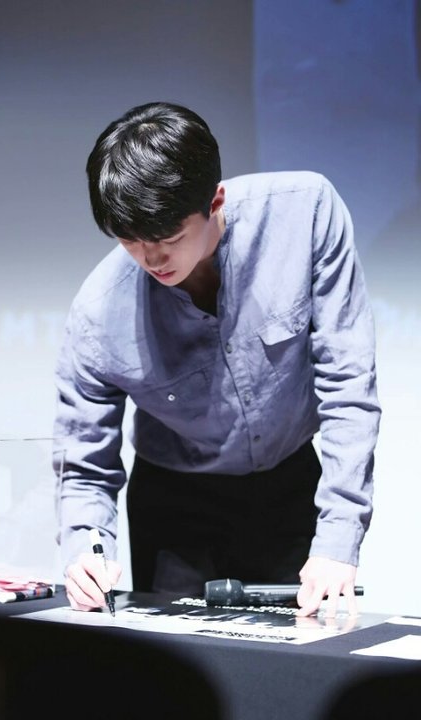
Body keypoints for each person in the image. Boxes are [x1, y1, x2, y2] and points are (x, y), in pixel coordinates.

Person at [54, 101, 381, 617]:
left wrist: (338, 540)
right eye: (131, 242)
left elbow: (348, 385)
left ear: (216, 200)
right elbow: (84, 465)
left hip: (288, 481)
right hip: (174, 503)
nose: (152, 259)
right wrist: (87, 552)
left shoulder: (305, 214)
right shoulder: (99, 313)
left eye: (169, 238)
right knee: (174, 663)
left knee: (297, 654)